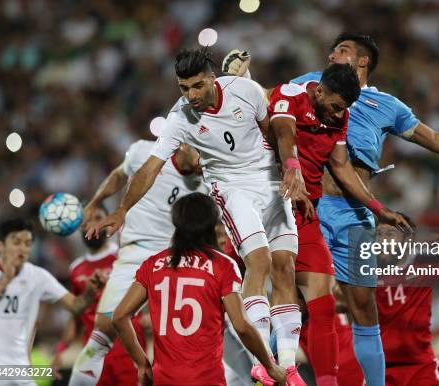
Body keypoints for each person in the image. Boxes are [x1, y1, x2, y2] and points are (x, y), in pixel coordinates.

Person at [223, 32, 439, 386]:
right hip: (308, 206)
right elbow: (272, 107)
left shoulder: (387, 106)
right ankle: (275, 374)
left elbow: (431, 138)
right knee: (294, 296)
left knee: (363, 308)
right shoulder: (310, 84)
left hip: (354, 213)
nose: (331, 53)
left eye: (341, 50)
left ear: (362, 60)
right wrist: (242, 81)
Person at [88, 47, 308, 385]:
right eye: (182, 88)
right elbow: (150, 168)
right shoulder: (179, 119)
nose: (190, 96)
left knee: (285, 266)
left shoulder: (245, 90)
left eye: (195, 87)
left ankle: (290, 366)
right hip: (232, 187)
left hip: (269, 179)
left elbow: (274, 131)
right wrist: (121, 209)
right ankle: (263, 360)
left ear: (211, 79)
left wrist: (291, 168)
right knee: (259, 262)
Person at [267, 63, 412, 386]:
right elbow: (284, 134)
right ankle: (268, 368)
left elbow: (340, 166)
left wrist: (379, 209)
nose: (337, 115)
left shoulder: (340, 116)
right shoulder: (290, 96)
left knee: (323, 300)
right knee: (285, 295)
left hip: (306, 211)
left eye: (343, 109)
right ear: (319, 91)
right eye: (334, 106)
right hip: (272, 206)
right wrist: (292, 167)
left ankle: (322, 381)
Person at [112, 192, 286, 386]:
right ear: (212, 225)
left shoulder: (152, 265)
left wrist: (142, 364)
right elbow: (242, 326)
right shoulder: (223, 265)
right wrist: (270, 367)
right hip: (206, 380)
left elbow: (119, 316)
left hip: (164, 380)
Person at [69, 140, 205, 385]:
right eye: (200, 151)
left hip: (173, 261)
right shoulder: (144, 151)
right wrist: (95, 202)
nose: (203, 160)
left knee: (187, 346)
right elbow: (119, 175)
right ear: (184, 144)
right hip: (134, 254)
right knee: (101, 334)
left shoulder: (206, 182)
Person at [0, 218, 105, 385]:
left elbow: (75, 306)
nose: (23, 248)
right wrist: (4, 281)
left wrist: (89, 293)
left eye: (28, 243)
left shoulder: (38, 276)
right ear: (0, 245)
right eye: (16, 242)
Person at [52, 206, 146, 385]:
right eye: (87, 220)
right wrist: (61, 349)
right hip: (93, 356)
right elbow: (76, 315)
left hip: (128, 352)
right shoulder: (76, 268)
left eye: (98, 218)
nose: (93, 224)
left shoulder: (125, 257)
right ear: (80, 227)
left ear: (108, 222)